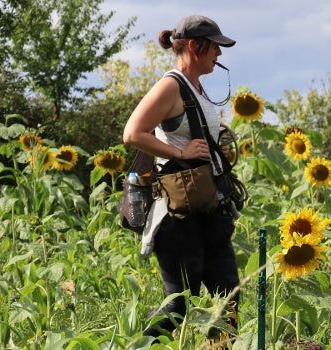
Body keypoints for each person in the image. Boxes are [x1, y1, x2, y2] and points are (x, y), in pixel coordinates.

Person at [122, 14, 240, 342]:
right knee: (178, 306)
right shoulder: (170, 85)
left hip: (208, 209)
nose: (219, 54)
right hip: (177, 216)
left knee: (228, 299)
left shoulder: (197, 87)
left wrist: (218, 151)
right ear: (193, 45)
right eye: (215, 46)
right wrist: (182, 153)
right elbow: (133, 133)